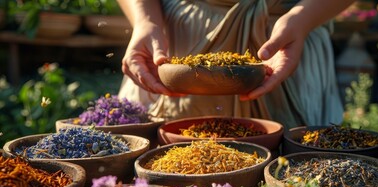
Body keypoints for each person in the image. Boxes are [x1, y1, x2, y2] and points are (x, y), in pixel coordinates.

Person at [116, 0, 356, 129]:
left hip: (289, 32)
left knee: (300, 165)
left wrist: (302, 20)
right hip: (177, 40)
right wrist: (145, 21)